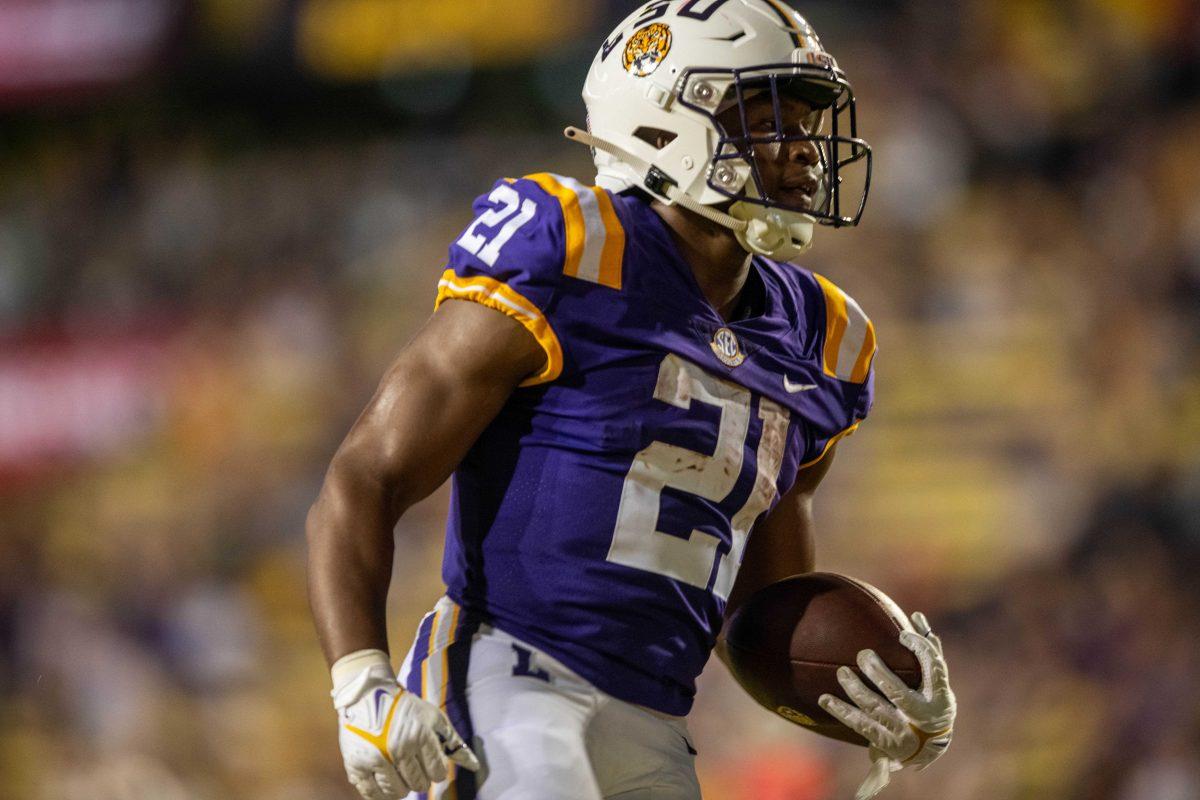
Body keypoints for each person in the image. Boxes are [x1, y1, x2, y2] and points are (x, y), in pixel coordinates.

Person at [306, 2, 956, 799]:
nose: (803, 151)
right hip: (506, 678)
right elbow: (365, 473)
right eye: (764, 118)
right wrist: (361, 679)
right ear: (662, 124)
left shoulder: (823, 337)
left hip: (655, 723)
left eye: (807, 123)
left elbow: (757, 609)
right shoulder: (574, 247)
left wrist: (871, 691)